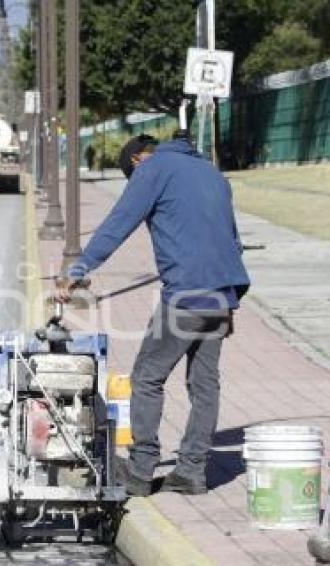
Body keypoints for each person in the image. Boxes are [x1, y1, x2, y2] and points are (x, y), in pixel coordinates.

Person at [55, 134, 250, 496]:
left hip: (186, 295)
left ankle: (141, 471)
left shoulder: (153, 169)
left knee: (147, 377)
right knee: (204, 384)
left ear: (136, 162)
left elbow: (118, 224)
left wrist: (76, 271)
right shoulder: (212, 173)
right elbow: (233, 241)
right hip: (222, 294)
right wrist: (230, 303)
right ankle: (192, 471)